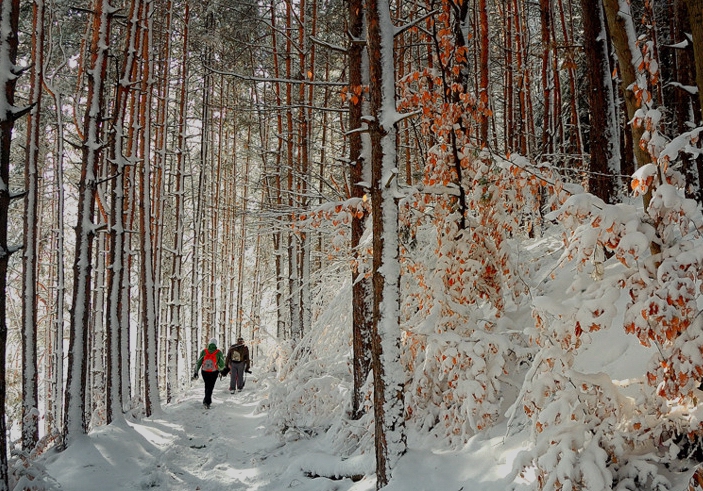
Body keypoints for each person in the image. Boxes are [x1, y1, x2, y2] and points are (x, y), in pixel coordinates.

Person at [193, 337, 225, 408]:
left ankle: (206, 400)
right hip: (214, 371)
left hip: (204, 371)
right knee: (210, 386)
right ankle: (207, 402)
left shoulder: (204, 351)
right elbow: (222, 364)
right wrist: (219, 369)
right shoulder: (218, 352)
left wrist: (196, 371)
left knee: (207, 385)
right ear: (216, 344)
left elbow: (199, 362)